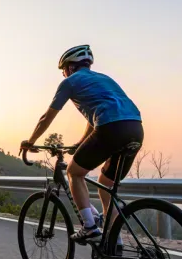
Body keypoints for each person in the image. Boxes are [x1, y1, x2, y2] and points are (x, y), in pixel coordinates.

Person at [20, 44, 143, 244]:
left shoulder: (70, 82)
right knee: (106, 186)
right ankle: (115, 243)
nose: (63, 74)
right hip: (136, 129)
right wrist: (80, 143)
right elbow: (92, 118)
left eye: (63, 71)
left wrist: (30, 142)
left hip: (111, 128)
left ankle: (89, 227)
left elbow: (46, 117)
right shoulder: (105, 79)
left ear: (69, 67)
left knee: (74, 173)